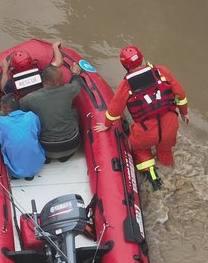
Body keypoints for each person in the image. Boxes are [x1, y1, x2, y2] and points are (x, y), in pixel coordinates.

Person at [93, 45, 189, 190]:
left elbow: (115, 109)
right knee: (165, 150)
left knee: (140, 149)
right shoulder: (161, 71)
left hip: (146, 130)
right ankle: (169, 171)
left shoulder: (126, 85)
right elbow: (180, 94)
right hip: (170, 123)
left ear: (124, 65)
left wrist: (106, 124)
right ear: (142, 58)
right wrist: (184, 112)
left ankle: (152, 176)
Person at [15, 59, 83, 162]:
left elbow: (16, 111)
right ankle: (65, 156)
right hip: (72, 144)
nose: (63, 81)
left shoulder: (29, 99)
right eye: (61, 79)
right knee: (73, 111)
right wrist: (75, 73)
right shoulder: (68, 90)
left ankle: (47, 158)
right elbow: (77, 84)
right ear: (55, 82)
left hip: (47, 149)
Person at [0, 93, 46, 180]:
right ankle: (29, 173)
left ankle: (15, 175)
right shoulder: (32, 116)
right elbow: (37, 132)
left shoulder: (1, 122)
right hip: (38, 165)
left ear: (6, 110)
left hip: (16, 171)